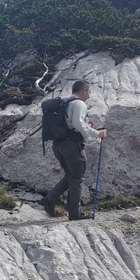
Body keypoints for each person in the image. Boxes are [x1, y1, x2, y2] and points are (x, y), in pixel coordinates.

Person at [41, 80, 108, 221]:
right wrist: (97, 133)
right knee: (77, 178)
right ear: (83, 90)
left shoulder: (65, 103)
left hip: (58, 145)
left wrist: (86, 126)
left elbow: (74, 123)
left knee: (72, 176)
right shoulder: (79, 104)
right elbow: (77, 123)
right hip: (72, 146)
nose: (89, 96)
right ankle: (74, 213)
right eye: (89, 92)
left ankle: (50, 200)